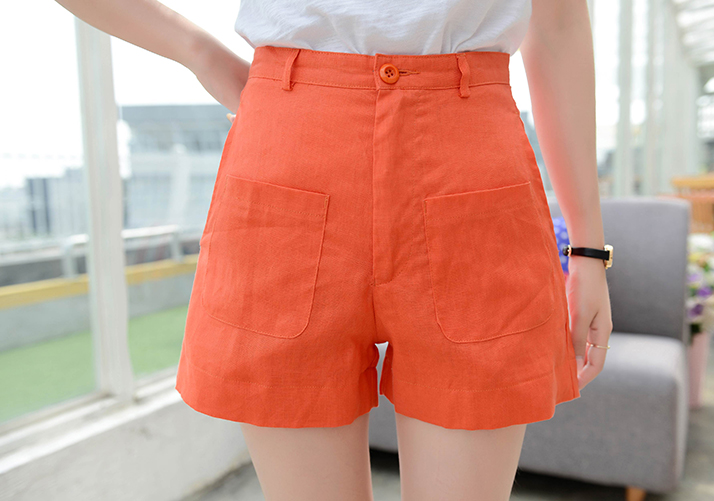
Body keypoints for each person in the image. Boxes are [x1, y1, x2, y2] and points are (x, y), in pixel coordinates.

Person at [55, 1, 613, 499]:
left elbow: (560, 24)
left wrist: (588, 247)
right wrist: (200, 52)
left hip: (465, 166)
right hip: (294, 154)